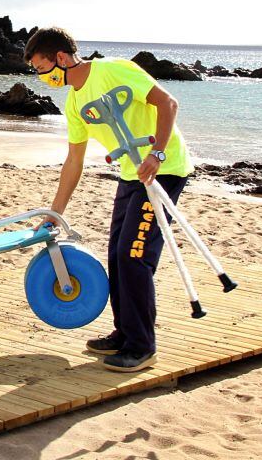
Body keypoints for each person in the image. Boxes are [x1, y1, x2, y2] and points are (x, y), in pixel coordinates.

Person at [24, 27, 192, 373]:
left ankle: (143, 347)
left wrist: (157, 154)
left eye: (42, 70)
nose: (43, 79)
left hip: (165, 169)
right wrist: (55, 213)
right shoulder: (73, 102)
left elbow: (168, 103)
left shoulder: (114, 69)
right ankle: (125, 332)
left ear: (61, 58)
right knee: (117, 253)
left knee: (134, 255)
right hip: (132, 174)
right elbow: (74, 162)